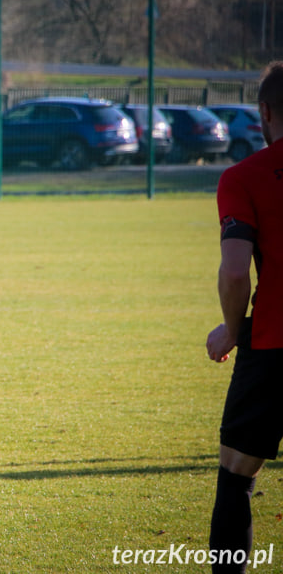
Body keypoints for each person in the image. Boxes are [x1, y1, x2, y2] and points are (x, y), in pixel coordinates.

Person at [206, 61, 283, 573]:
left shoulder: (244, 177)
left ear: (264, 113)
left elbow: (237, 273)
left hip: (274, 348)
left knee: (236, 473)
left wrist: (233, 330)